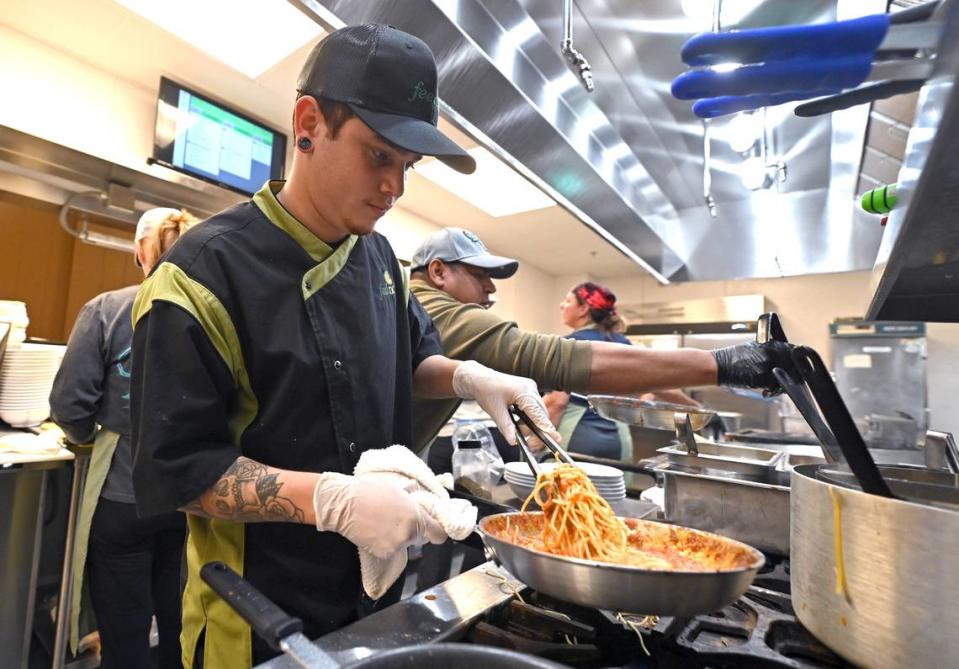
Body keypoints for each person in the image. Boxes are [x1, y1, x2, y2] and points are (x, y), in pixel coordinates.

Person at [128, 25, 558, 669]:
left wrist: (472, 377)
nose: (395, 188)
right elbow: (179, 474)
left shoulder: (380, 257)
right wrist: (330, 501)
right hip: (254, 615)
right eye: (379, 156)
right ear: (308, 123)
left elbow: (415, 359)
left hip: (372, 595)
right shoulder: (201, 276)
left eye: (407, 168)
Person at [407, 227, 797, 461]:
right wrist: (724, 364)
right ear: (439, 271)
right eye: (480, 276)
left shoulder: (430, 312)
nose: (491, 289)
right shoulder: (430, 307)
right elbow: (555, 362)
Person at [49, 207, 198, 669]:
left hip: (121, 497)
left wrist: (89, 439)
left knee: (126, 635)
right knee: (183, 630)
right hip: (191, 498)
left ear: (140, 251)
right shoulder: (214, 319)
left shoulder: (107, 309)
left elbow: (70, 406)